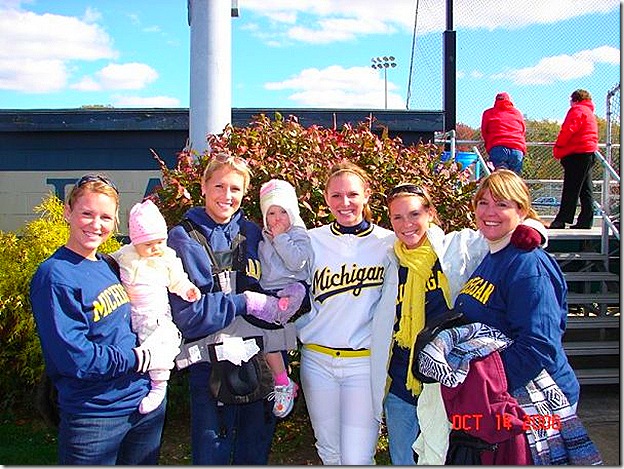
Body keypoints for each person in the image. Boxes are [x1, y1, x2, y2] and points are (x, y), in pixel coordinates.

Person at [370, 182, 547, 465]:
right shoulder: (390, 257)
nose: (407, 224)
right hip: (401, 378)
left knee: (440, 454)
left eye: (414, 214)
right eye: (397, 217)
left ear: (429, 213)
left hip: (445, 379)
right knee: (402, 457)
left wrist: (533, 231)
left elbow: (505, 225)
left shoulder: (457, 247)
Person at [29, 174, 181, 465]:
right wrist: (140, 358)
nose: (96, 225)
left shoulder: (109, 265)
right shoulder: (55, 276)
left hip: (141, 404)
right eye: (87, 214)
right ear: (67, 212)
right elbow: (75, 358)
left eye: (105, 217)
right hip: (94, 415)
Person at [166, 153, 305, 465]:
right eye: (219, 186)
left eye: (235, 189)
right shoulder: (183, 238)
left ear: (245, 193)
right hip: (210, 367)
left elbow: (282, 286)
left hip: (261, 361)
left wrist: (298, 293)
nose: (226, 196)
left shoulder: (255, 233)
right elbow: (189, 317)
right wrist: (244, 302)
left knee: (253, 453)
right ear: (203, 186)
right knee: (211, 454)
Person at [295, 161, 396, 465]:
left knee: (357, 458)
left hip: (363, 364)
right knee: (329, 452)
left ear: (367, 194)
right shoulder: (310, 240)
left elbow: (440, 245)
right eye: (336, 195)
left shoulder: (388, 242)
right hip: (317, 360)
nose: (345, 203)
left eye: (352, 194)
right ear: (325, 198)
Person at [454, 169, 580, 407]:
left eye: (501, 204)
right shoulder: (493, 254)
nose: (489, 212)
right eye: (483, 202)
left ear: (521, 210)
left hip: (537, 398)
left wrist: (485, 384)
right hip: (502, 396)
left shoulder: (528, 264)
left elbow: (539, 346)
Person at [110, 199, 201, 415]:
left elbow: (178, 279)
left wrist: (188, 290)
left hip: (156, 312)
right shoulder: (125, 255)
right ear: (134, 241)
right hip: (130, 312)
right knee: (133, 346)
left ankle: (159, 386)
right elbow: (107, 263)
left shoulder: (167, 257)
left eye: (159, 242)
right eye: (148, 244)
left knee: (160, 345)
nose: (155, 249)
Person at [257, 179, 313, 418]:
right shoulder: (262, 237)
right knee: (263, 333)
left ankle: (282, 381)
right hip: (269, 294)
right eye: (271, 212)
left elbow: (297, 261)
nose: (277, 218)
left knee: (273, 327)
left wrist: (281, 238)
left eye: (283, 211)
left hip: (293, 290)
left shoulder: (298, 234)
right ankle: (283, 380)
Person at [549, 89, 599, 229]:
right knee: (585, 189)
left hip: (577, 153)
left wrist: (559, 146)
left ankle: (561, 220)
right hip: (588, 152)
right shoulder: (589, 112)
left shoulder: (577, 110)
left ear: (574, 99)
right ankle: (585, 221)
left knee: (571, 188)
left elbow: (568, 130)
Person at [481, 92, 527, 174]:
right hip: (517, 148)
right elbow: (522, 130)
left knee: (500, 181)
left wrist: (489, 143)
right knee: (513, 181)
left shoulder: (488, 113)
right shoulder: (517, 113)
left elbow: (485, 132)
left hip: (498, 148)